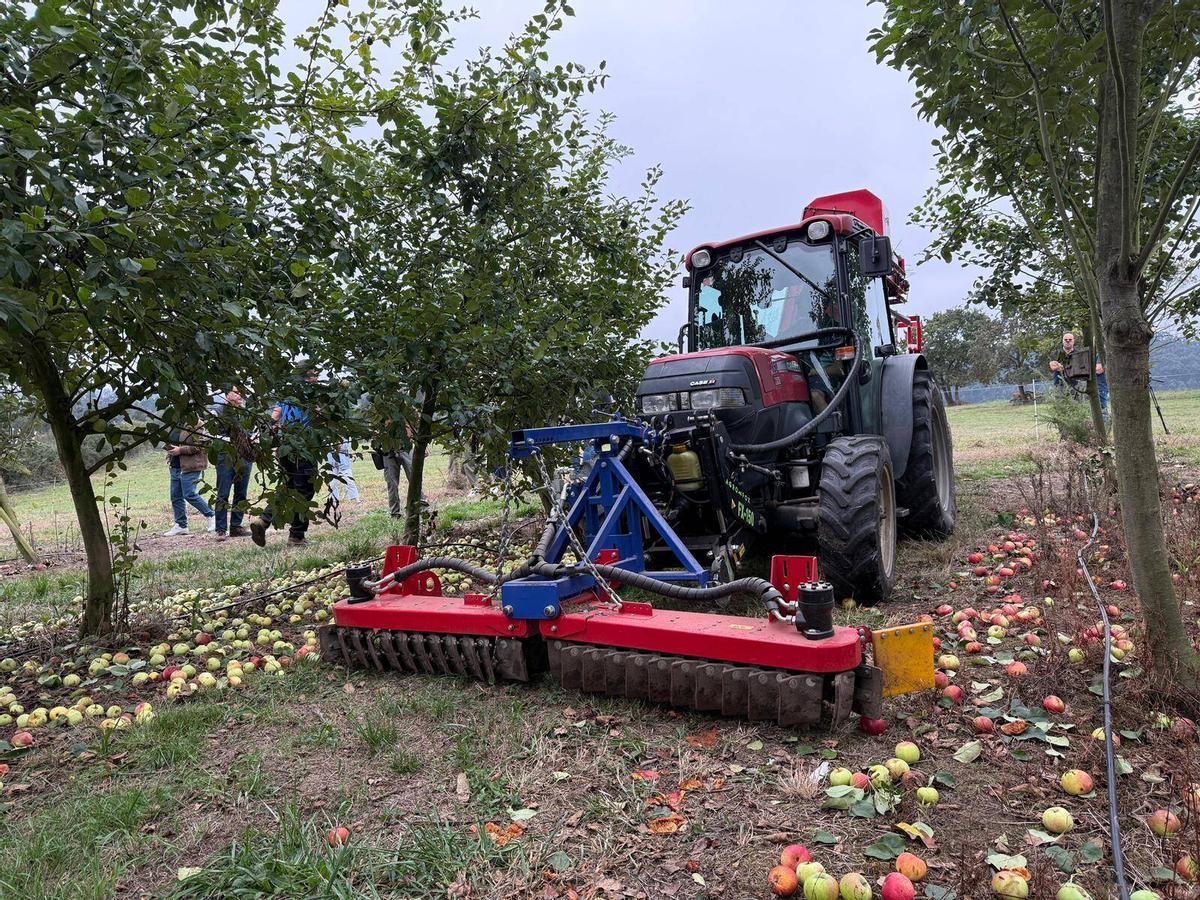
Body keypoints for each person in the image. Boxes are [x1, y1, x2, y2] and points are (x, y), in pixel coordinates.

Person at [250, 377, 321, 547]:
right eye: (314, 374)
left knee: (288, 489)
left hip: (285, 448)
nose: (317, 378)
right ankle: (296, 537)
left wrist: (259, 435)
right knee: (304, 493)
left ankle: (263, 521)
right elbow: (320, 416)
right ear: (307, 375)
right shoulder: (312, 395)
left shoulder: (287, 396)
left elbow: (274, 417)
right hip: (303, 449)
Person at [212, 389, 255, 540]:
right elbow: (211, 435)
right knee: (223, 492)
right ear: (227, 394)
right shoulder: (218, 410)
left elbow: (251, 431)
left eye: (240, 392)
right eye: (236, 392)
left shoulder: (246, 412)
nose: (239, 395)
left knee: (241, 492)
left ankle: (236, 526)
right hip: (226, 455)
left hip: (245, 455)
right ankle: (221, 529)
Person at [163, 424, 216, 536]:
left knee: (189, 494)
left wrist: (180, 450)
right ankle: (181, 525)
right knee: (176, 496)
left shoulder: (197, 424)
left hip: (191, 465)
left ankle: (212, 515)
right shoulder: (174, 424)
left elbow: (200, 445)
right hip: (176, 465)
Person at [1049, 331, 1109, 415]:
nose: (1068, 341)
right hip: (1059, 385)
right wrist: (1072, 367)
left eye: (1070, 339)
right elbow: (1053, 366)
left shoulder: (1079, 353)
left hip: (1075, 385)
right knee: (1062, 410)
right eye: (1066, 339)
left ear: (1074, 340)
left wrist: (1062, 367)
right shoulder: (1056, 353)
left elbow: (1084, 369)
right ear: (1062, 340)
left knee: (1077, 409)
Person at [327, 439, 360, 505]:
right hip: (332, 464)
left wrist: (337, 446)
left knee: (350, 481)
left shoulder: (345, 437)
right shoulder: (327, 437)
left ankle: (356, 500)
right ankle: (334, 501)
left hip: (344, 463)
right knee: (332, 484)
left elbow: (345, 446)